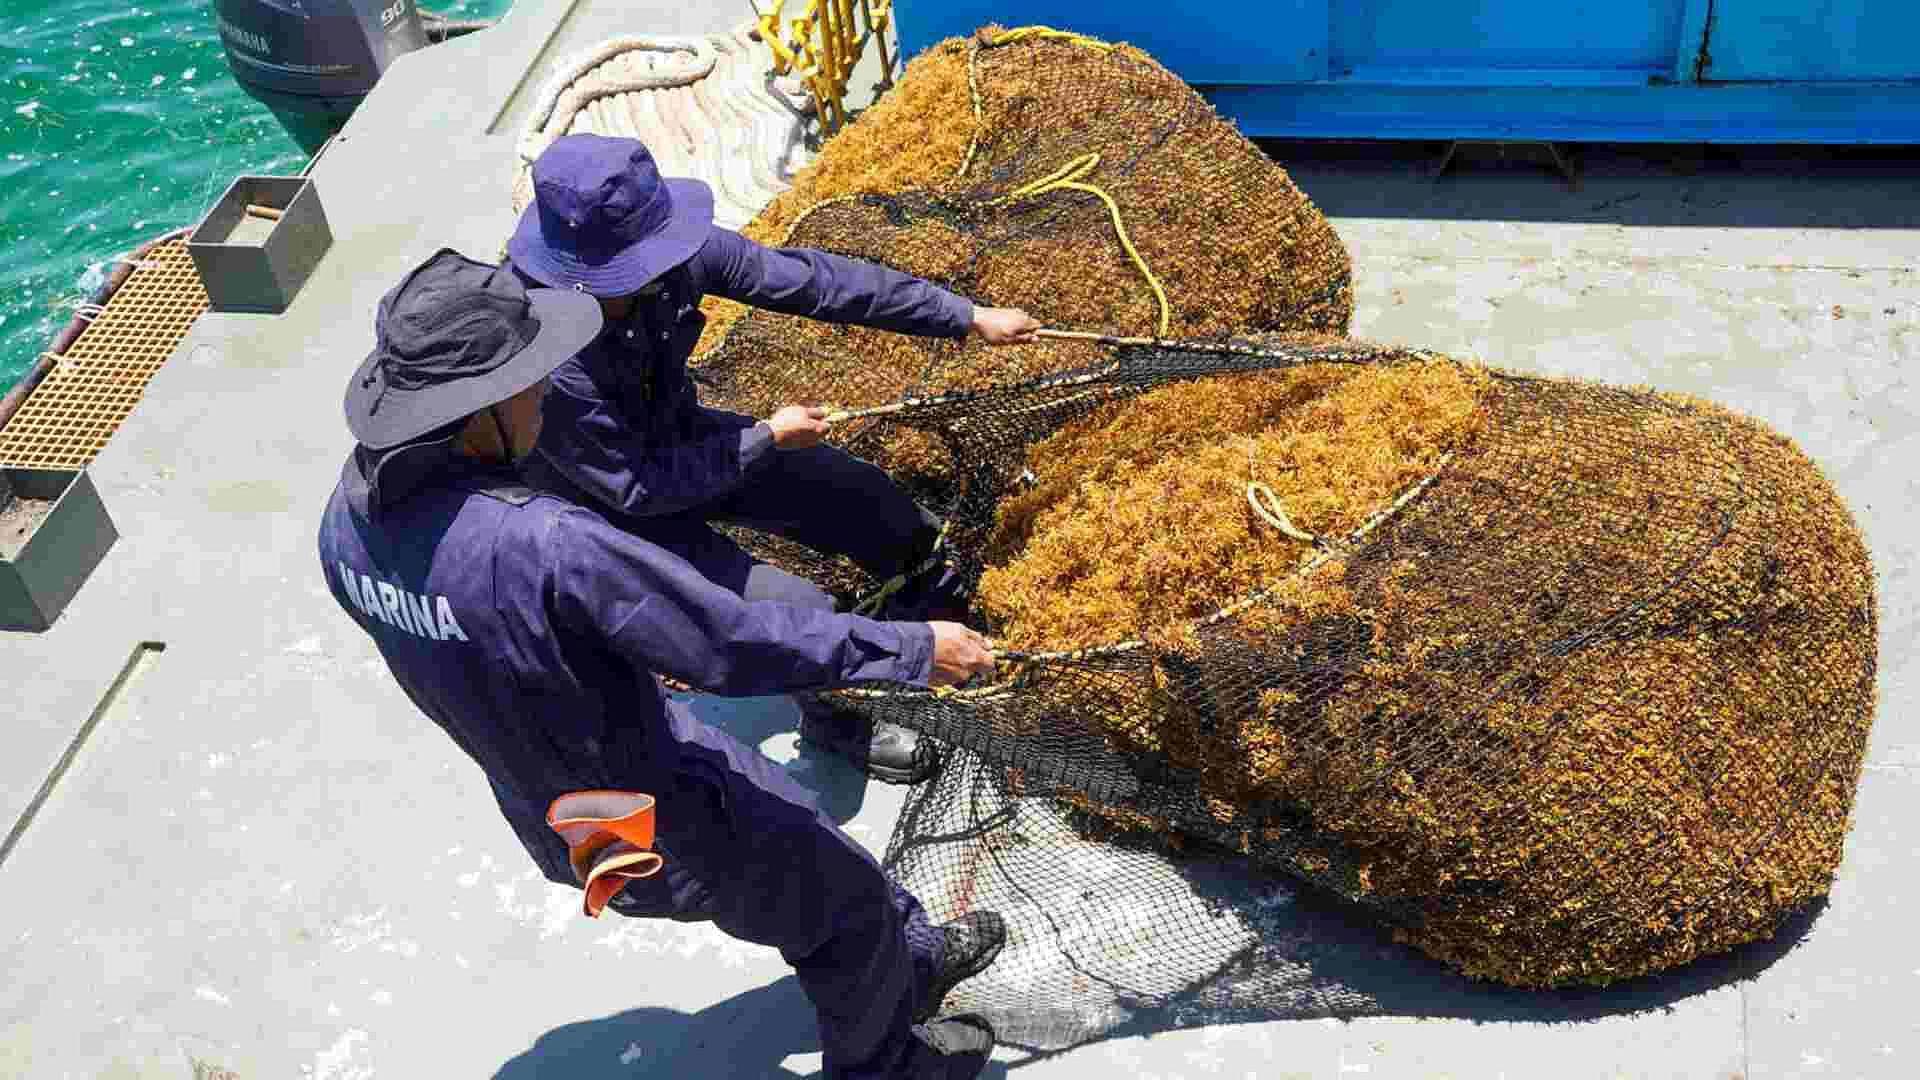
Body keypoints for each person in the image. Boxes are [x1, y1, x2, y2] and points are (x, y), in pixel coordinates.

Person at [317, 249, 1008, 1078]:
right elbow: (730, 644)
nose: (547, 390)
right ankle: (885, 1064)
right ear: (478, 414)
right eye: (533, 378)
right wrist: (909, 647)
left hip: (564, 800)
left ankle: (916, 959)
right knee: (844, 908)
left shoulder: (343, 526)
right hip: (653, 813)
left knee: (806, 836)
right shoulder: (544, 544)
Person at [504, 134, 1041, 785]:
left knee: (865, 497)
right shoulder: (551, 352)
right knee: (798, 611)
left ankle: (930, 623)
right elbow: (639, 489)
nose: (657, 270)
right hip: (607, 507)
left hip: (681, 437)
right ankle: (839, 723)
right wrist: (765, 438)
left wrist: (962, 315)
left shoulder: (677, 254)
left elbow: (810, 280)